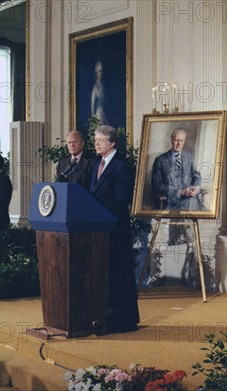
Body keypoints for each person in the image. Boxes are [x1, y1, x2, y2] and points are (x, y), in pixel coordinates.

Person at [89, 125, 139, 333]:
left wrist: (98, 209)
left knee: (119, 275)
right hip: (100, 230)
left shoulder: (122, 166)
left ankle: (122, 321)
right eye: (95, 140)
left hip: (116, 230)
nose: (96, 143)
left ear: (112, 143)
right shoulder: (96, 165)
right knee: (105, 275)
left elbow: (121, 199)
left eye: (100, 140)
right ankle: (105, 317)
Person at [151, 127, 203, 210]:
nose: (179, 143)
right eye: (176, 140)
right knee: (190, 205)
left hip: (190, 197)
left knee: (192, 202)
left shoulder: (188, 156)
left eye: (181, 140)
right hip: (171, 200)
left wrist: (196, 188)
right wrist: (180, 192)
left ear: (184, 142)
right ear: (171, 140)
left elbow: (196, 175)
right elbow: (157, 186)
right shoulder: (160, 160)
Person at [90, 61, 108, 125]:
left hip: (106, 113)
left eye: (102, 71)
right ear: (96, 73)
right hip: (99, 114)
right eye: (99, 71)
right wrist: (94, 117)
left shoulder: (104, 85)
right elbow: (93, 104)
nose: (101, 73)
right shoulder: (95, 88)